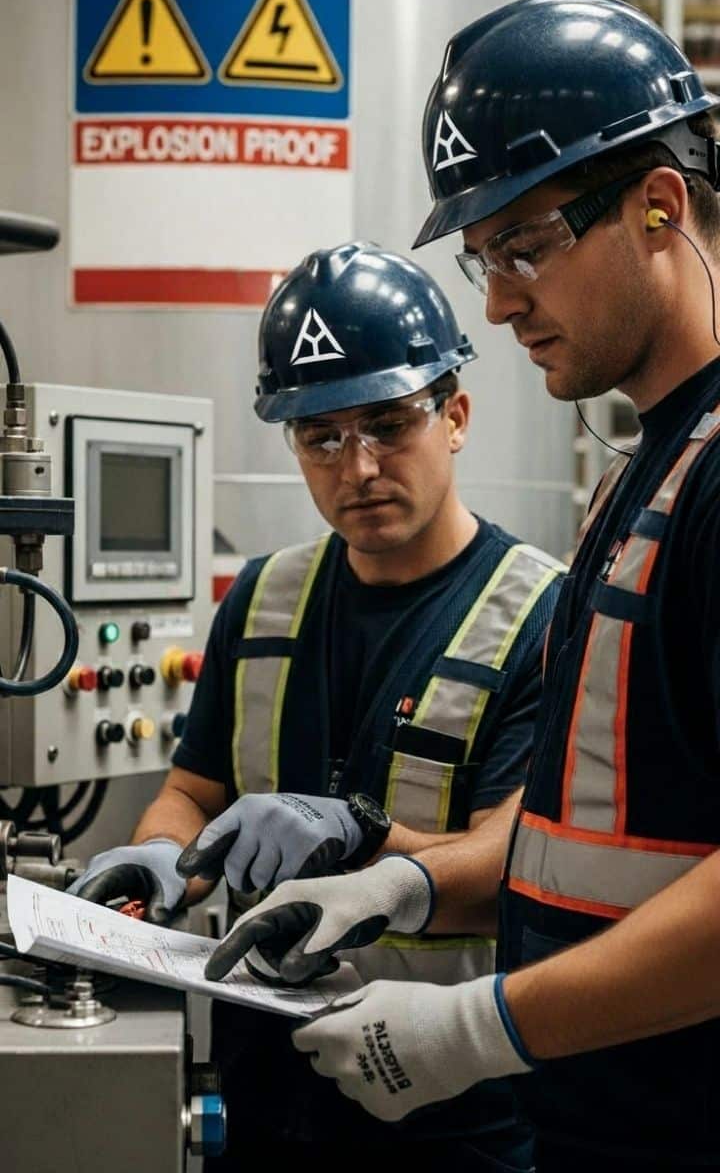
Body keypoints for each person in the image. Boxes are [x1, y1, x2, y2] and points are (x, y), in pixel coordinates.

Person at [213, 0, 720, 1172]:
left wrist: (473, 1025)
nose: (494, 303)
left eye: (523, 246)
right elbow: (570, 846)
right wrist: (398, 888)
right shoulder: (645, 472)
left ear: (658, 205)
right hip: (595, 1124)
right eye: (481, 258)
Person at [68, 241, 563, 1162]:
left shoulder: (539, 613)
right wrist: (161, 855)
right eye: (321, 436)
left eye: (387, 424)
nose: (358, 466)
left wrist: (358, 830)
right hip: (268, 1089)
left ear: (454, 415)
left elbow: (522, 869)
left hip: (451, 1105)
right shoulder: (260, 598)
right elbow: (193, 788)